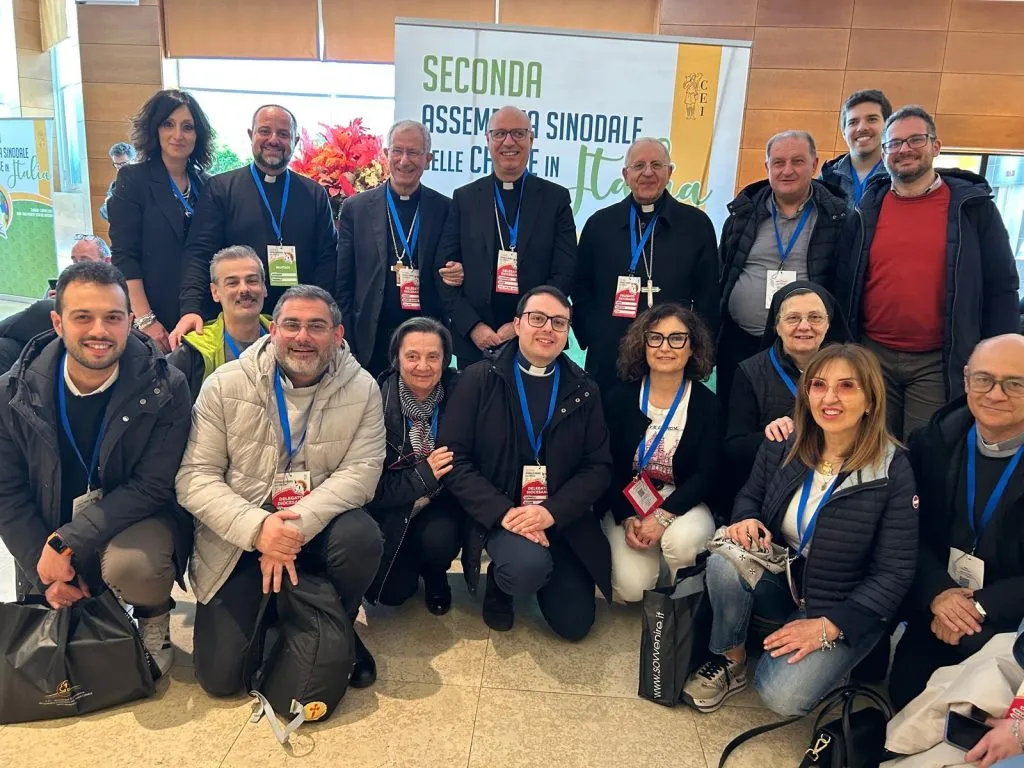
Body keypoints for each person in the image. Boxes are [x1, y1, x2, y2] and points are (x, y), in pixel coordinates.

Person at [682, 344, 917, 716]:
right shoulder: (786, 443)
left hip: (842, 604)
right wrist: (746, 518)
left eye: (846, 386)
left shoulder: (892, 470)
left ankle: (827, 654)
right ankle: (732, 658)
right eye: (819, 385)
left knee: (782, 697)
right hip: (787, 580)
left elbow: (895, 571)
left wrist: (831, 626)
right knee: (725, 557)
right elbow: (749, 495)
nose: (830, 398)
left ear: (870, 400)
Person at [176, 285, 385, 696]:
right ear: (273, 331)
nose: (302, 337)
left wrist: (291, 528)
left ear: (337, 335)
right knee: (222, 680)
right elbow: (194, 477)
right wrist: (259, 529)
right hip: (240, 534)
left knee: (361, 538)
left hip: (316, 526)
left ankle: (336, 623)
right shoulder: (224, 385)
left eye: (316, 326)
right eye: (291, 325)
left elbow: (361, 474)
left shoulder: (363, 389)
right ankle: (283, 613)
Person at [0, 261, 192, 675]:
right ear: (58, 322)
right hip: (47, 524)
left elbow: (153, 486)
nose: (99, 331)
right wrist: (42, 566)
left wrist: (66, 542)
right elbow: (7, 495)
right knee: (46, 662)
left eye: (113, 317)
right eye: (83, 317)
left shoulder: (167, 386)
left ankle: (153, 616)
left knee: (134, 567)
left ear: (130, 322)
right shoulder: (11, 394)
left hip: (134, 519)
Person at [438, 286, 612, 640]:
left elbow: (598, 467)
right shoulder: (478, 379)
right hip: (501, 511)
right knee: (524, 569)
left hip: (559, 515)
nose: (548, 328)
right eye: (538, 318)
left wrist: (550, 512)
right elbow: (454, 459)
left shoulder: (584, 388)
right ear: (517, 325)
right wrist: (504, 513)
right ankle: (503, 583)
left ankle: (539, 561)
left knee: (575, 625)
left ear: (567, 332)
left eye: (559, 322)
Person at [836, 105, 1019, 440]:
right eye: (895, 143)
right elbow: (846, 281)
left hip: (938, 360)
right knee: (872, 445)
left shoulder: (973, 209)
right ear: (885, 153)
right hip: (873, 354)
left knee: (924, 447)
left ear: (935, 146)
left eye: (915, 140)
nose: (905, 149)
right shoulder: (865, 210)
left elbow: (1002, 286)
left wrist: (1004, 354)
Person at [890, 335, 1024, 711]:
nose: (995, 394)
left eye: (1015, 383)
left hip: (1010, 611)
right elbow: (903, 532)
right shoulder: (931, 443)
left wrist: (981, 606)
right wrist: (938, 593)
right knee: (906, 694)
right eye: (984, 379)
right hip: (942, 597)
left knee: (980, 709)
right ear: (965, 380)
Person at [171, 104, 338, 347]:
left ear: (295, 140)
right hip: (238, 321)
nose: (273, 140)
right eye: (264, 131)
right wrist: (191, 308)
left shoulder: (314, 194)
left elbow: (327, 260)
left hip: (298, 326)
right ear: (251, 135)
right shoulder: (221, 188)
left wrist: (320, 315)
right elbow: (199, 252)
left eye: (283, 134)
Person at [573, 138, 720, 395]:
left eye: (656, 165)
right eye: (639, 165)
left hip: (671, 353)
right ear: (625, 174)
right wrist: (595, 334)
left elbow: (708, 295)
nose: (648, 173)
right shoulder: (600, 224)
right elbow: (581, 286)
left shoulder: (696, 225)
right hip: (611, 352)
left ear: (670, 172)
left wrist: (698, 349)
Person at [436, 107, 577, 368]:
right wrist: (473, 326)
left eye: (518, 133)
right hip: (476, 342)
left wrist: (523, 324)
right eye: (500, 133)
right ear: (488, 140)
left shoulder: (555, 199)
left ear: (531, 139)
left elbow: (565, 273)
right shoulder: (465, 198)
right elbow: (444, 271)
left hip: (536, 338)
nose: (509, 142)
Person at [598, 304, 721, 603]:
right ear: (643, 345)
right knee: (632, 589)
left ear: (692, 347)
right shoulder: (619, 398)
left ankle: (685, 598)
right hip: (630, 499)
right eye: (655, 338)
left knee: (683, 543)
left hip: (683, 500)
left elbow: (707, 473)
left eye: (677, 338)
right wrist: (627, 517)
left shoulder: (708, 405)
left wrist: (663, 517)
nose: (665, 347)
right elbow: (607, 465)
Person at [717, 131, 848, 406]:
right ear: (767, 167)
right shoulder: (742, 213)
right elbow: (725, 271)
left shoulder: (837, 217)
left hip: (805, 345)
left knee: (795, 418)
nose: (787, 170)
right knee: (735, 416)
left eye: (797, 161)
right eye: (778, 162)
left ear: (814, 164)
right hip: (740, 340)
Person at [335, 120, 462, 377]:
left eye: (413, 152)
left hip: (426, 339)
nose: (404, 161)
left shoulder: (445, 209)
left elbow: (453, 265)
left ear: (428, 159)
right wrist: (347, 340)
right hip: (369, 339)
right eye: (397, 151)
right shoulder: (356, 209)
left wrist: (460, 270)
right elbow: (343, 283)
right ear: (386, 154)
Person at [366, 317, 465, 614]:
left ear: (445, 360)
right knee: (393, 594)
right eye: (412, 356)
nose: (423, 366)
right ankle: (408, 562)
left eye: (433, 357)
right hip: (392, 509)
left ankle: (436, 573)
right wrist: (423, 476)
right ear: (396, 358)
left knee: (441, 538)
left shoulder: (462, 397)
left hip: (440, 505)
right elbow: (371, 489)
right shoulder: (374, 403)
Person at [108, 89, 215, 353]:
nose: (178, 135)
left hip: (201, 315)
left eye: (187, 127)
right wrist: (146, 319)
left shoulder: (207, 184)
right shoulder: (133, 180)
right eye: (168, 124)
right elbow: (125, 256)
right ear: (154, 129)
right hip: (152, 315)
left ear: (198, 135)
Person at [723, 281, 849, 494]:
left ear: (829, 323)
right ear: (777, 326)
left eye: (815, 317)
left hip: (837, 483)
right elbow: (733, 448)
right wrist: (773, 436)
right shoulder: (750, 372)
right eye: (792, 318)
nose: (804, 326)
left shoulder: (851, 372)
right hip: (773, 486)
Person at [166, 245, 270, 402]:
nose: (244, 289)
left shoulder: (285, 339)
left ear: (264, 288)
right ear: (215, 292)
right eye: (232, 283)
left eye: (252, 281)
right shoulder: (193, 352)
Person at [2, 236, 114, 372]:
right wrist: (53, 298)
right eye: (74, 260)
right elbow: (34, 320)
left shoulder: (115, 286)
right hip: (45, 335)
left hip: (74, 339)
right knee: (3, 346)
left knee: (46, 308)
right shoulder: (65, 279)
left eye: (85, 261)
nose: (76, 266)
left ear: (107, 262)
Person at [820, 89, 892, 205]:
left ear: (888, 127)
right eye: (853, 122)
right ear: (844, 132)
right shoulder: (825, 181)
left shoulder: (901, 176)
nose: (862, 128)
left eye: (872, 119)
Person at [99, 142, 136, 222]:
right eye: (117, 165)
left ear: (134, 161)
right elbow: (104, 213)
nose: (120, 168)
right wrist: (110, 204)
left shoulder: (145, 182)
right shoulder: (114, 185)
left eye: (123, 164)